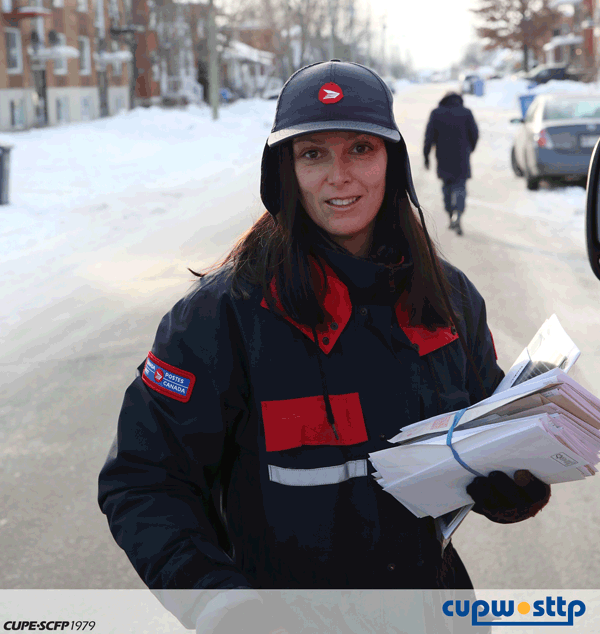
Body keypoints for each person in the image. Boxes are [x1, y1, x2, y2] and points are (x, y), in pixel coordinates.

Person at [98, 61, 550, 634]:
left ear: (392, 160)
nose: (340, 176)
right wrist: (217, 603)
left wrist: (515, 484)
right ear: (285, 170)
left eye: (361, 148)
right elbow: (143, 480)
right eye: (313, 154)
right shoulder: (222, 316)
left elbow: (491, 436)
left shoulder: (448, 298)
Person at [423, 91, 479, 236]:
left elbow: (429, 136)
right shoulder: (466, 113)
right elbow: (474, 134)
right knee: (460, 187)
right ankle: (457, 214)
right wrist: (469, 149)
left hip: (443, 157)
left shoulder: (436, 113)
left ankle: (450, 214)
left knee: (447, 188)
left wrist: (426, 156)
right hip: (462, 157)